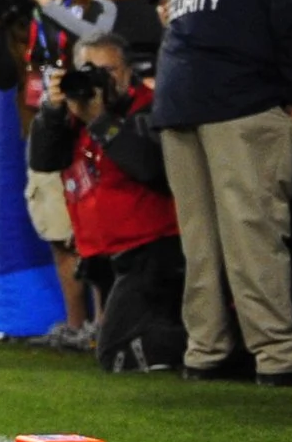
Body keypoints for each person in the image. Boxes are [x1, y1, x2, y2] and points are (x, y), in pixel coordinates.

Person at [152, 0, 292, 384]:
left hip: (176, 100)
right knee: (253, 229)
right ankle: (280, 355)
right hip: (242, 99)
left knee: (200, 240)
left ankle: (205, 351)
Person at [31, 39, 184, 374]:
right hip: (105, 258)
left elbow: (149, 167)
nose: (99, 80)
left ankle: (198, 346)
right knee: (114, 347)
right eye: (89, 71)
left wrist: (100, 120)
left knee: (113, 352)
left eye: (108, 71)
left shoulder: (149, 107)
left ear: (128, 72)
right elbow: (43, 160)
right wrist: (52, 111)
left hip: (153, 253)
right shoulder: (75, 115)